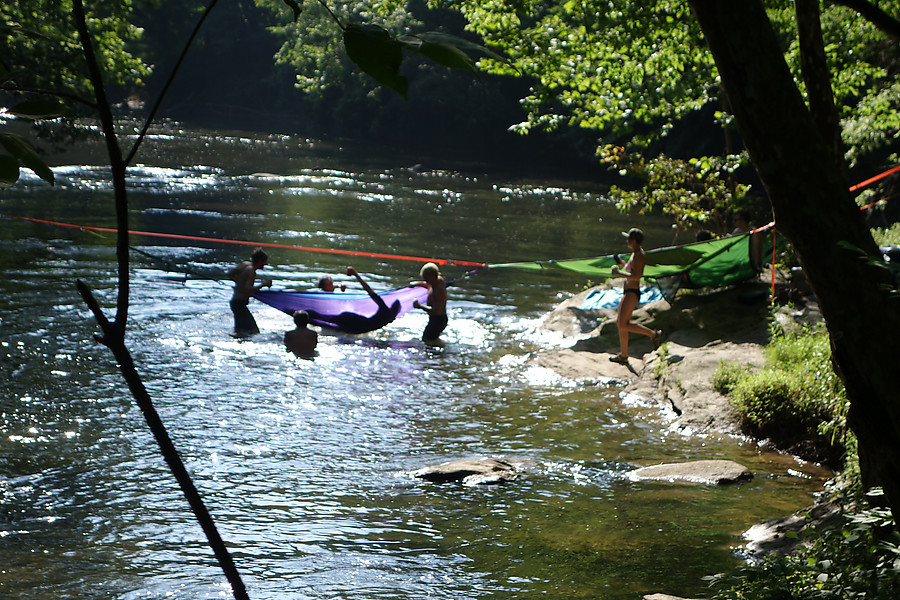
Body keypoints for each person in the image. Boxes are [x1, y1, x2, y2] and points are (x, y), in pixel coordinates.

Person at [609, 228, 661, 364]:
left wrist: (618, 274)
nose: (627, 241)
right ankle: (624, 355)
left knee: (623, 324)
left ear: (633, 241)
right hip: (628, 292)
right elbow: (630, 269)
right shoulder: (635, 254)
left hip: (632, 293)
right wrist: (620, 263)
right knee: (621, 324)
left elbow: (637, 276)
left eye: (628, 239)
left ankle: (653, 334)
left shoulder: (639, 255)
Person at [306, 266, 400, 334]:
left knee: (322, 318)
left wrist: (356, 275)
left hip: (354, 322)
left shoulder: (384, 309)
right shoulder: (390, 317)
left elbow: (369, 290)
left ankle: (303, 316)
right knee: (325, 319)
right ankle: (307, 317)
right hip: (357, 329)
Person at [227, 247, 272, 336]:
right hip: (240, 304)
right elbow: (248, 289)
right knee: (253, 330)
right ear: (259, 261)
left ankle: (237, 343)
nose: (266, 264)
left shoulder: (244, 264)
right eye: (264, 261)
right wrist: (264, 284)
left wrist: (239, 283)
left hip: (235, 302)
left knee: (240, 331)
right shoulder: (251, 271)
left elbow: (229, 273)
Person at [411, 262, 448, 344]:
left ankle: (438, 355)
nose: (425, 281)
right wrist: (417, 284)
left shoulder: (438, 290)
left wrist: (419, 306)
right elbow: (428, 285)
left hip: (437, 320)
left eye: (426, 279)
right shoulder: (437, 280)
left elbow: (435, 310)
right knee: (429, 339)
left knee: (427, 340)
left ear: (432, 277)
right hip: (438, 319)